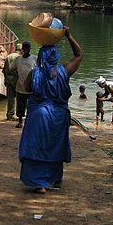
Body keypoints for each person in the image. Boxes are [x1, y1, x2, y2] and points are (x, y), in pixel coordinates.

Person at [19, 27, 83, 193]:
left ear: (40, 57)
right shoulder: (64, 71)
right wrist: (68, 35)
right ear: (56, 57)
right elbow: (79, 55)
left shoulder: (34, 74)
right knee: (55, 146)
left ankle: (39, 183)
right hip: (58, 116)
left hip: (38, 114)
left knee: (36, 145)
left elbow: (26, 88)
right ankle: (53, 179)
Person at [12, 41, 36, 128]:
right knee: (20, 106)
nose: (26, 50)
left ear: (30, 49)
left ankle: (30, 122)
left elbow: (39, 71)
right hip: (20, 86)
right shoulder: (18, 59)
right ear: (22, 49)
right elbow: (12, 68)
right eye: (24, 48)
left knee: (31, 106)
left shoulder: (34, 59)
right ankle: (20, 122)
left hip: (31, 88)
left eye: (27, 48)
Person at [3, 43, 22, 121]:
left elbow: (4, 70)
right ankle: (19, 115)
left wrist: (5, 79)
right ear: (21, 50)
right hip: (17, 79)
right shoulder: (20, 58)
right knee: (19, 98)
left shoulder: (8, 57)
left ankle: (10, 115)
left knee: (11, 98)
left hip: (8, 79)